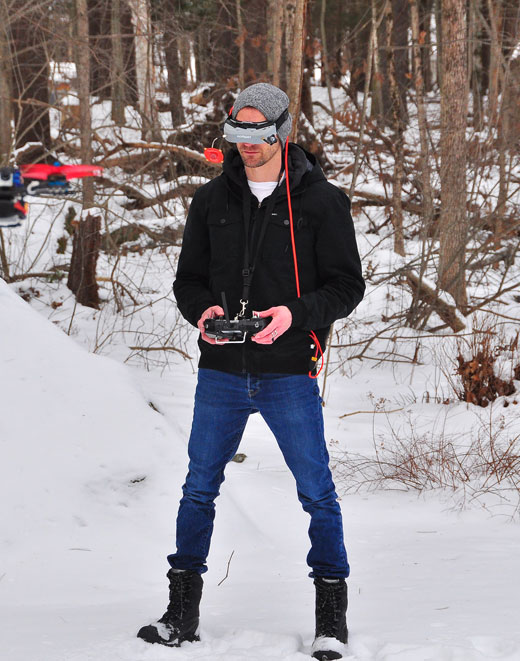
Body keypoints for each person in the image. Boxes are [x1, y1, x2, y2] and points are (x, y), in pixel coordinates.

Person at [137, 82, 365, 661]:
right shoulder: (210, 202)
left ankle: (331, 620)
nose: (247, 147)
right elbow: (187, 280)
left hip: (289, 370)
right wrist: (202, 311)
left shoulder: (322, 202)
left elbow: (346, 286)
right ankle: (181, 613)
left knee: (317, 493)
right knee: (197, 490)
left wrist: (294, 315)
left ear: (283, 133)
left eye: (258, 136)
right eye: (237, 136)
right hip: (220, 373)